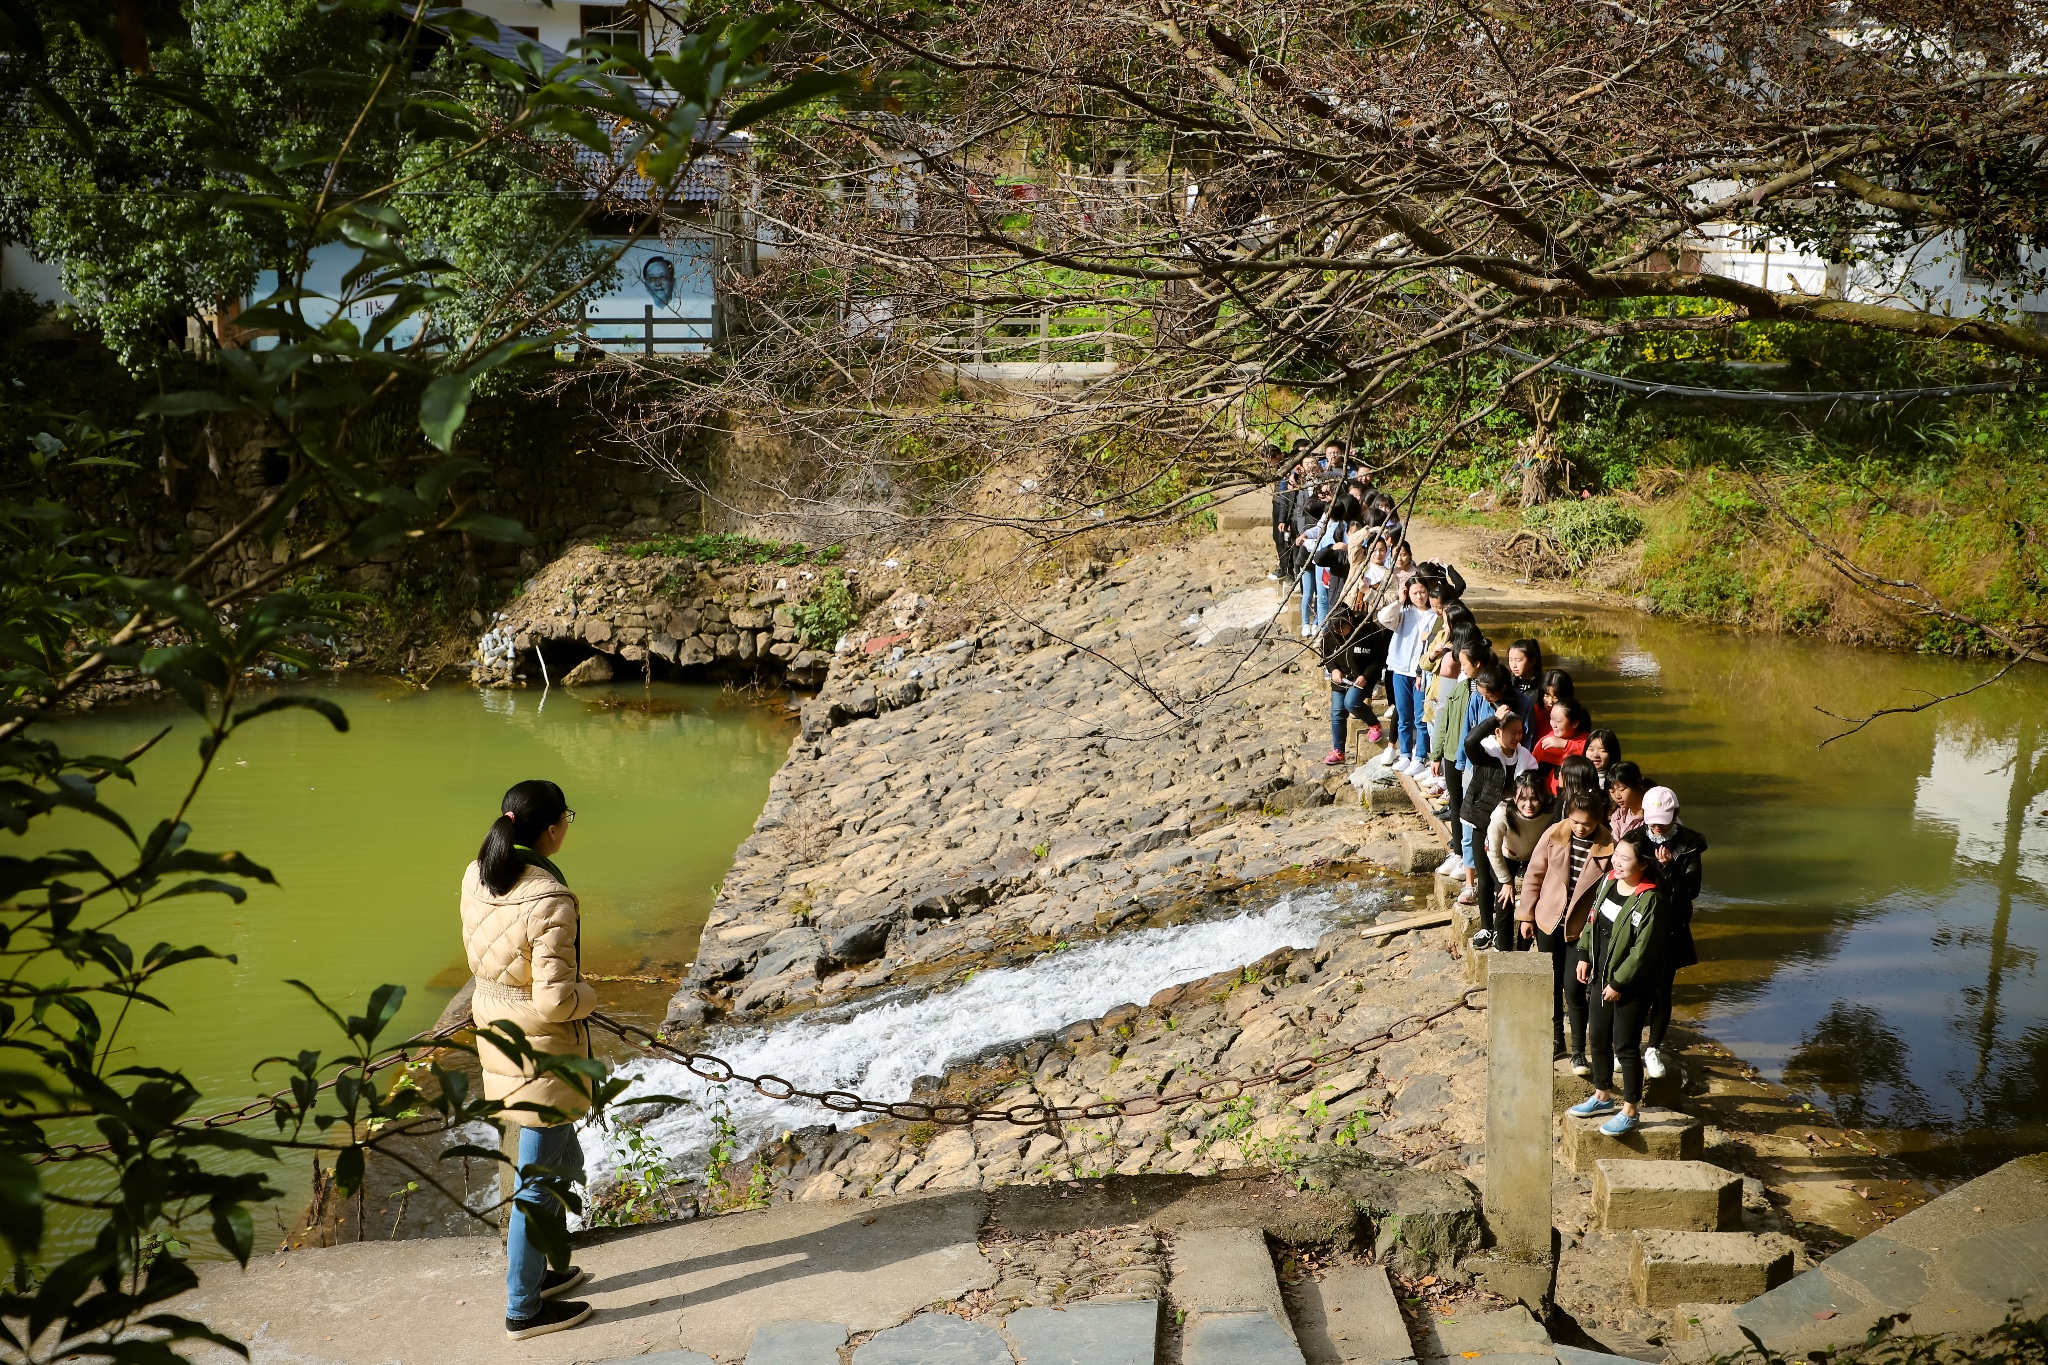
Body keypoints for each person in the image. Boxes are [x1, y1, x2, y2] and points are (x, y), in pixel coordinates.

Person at [462, 780, 599, 1341]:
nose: (568, 823)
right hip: (543, 1049)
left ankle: (551, 1270)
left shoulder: (477, 873)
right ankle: (524, 1308)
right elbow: (556, 999)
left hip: (495, 1030)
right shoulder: (550, 899)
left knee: (559, 1157)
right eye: (568, 815)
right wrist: (592, 996)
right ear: (551, 828)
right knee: (537, 1184)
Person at [1568, 830, 1667, 1135]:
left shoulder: (1651, 899)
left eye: (1626, 858)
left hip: (1630, 986)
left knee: (1624, 1046)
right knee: (1596, 1037)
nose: (1618, 862)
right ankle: (1601, 1095)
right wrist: (1584, 953)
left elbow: (1643, 952)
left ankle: (1631, 1110)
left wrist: (1620, 983)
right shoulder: (1609, 881)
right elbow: (1592, 919)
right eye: (1617, 855)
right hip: (1601, 976)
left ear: (1644, 863)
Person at [1516, 789, 1615, 1070]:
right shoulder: (1552, 836)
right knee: (1552, 984)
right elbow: (1533, 876)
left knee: (1574, 989)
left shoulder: (1610, 847)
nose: (1580, 828)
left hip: (1581, 930)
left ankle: (1578, 1050)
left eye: (1587, 823)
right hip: (1548, 920)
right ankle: (1556, 1038)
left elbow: (1609, 893)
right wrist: (1526, 917)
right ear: (1568, 816)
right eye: (1575, 821)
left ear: (1598, 820)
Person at [1641, 786, 1708, 1080]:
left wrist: (1669, 868)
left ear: (1674, 816)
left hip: (1671, 926)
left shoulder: (1690, 844)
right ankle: (1627, 1046)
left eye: (1663, 820)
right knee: (1632, 986)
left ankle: (1653, 1047)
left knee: (1661, 989)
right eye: (1653, 820)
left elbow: (1691, 890)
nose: (1657, 826)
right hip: (1638, 923)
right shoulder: (1634, 840)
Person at [1320, 574, 1388, 765]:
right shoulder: (1329, 636)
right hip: (1340, 679)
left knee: (1351, 703)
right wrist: (1333, 669)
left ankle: (1374, 724)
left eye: (1344, 627)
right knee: (1336, 713)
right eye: (1337, 629)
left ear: (1351, 622)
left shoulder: (1367, 630)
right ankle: (1338, 751)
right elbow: (1326, 656)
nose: (1340, 631)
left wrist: (1367, 676)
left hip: (1363, 677)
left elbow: (1378, 658)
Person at [1485, 770, 1554, 952]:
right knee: (1505, 901)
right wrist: (1506, 881)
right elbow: (1493, 850)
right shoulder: (1501, 814)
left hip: (1533, 856)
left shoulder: (1550, 811)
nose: (1528, 805)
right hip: (1506, 854)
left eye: (1534, 798)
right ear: (1514, 798)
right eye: (1522, 798)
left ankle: (1523, 949)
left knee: (1533, 900)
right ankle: (1503, 949)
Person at [1377, 573, 1435, 774]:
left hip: (1423, 673)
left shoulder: (1435, 615)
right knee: (1403, 715)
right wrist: (1399, 601)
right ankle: (1404, 754)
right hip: (1400, 669)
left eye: (1422, 592)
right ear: (1407, 593)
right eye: (1414, 593)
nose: (1419, 596)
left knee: (1421, 716)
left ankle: (1420, 756)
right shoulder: (1403, 612)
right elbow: (1383, 618)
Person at [1532, 697, 1593, 797]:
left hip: (1572, 800)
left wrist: (1565, 744)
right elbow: (1531, 766)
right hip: (1544, 799)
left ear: (1574, 723)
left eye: (1559, 721)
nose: (1553, 724)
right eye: (1551, 718)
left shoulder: (1588, 742)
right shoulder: (1546, 740)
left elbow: (1591, 756)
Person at [1607, 761, 1647, 837]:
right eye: (1612, 791)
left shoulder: (1652, 816)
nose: (1617, 796)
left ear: (1638, 784)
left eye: (1622, 789)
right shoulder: (1618, 815)